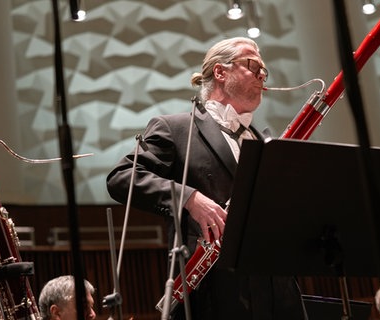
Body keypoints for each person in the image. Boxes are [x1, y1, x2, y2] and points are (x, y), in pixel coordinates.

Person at [107, 37, 307, 319]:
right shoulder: (176, 129)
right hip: (215, 292)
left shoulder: (263, 139)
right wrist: (189, 198)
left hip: (277, 291)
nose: (263, 74)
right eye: (253, 65)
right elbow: (121, 177)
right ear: (220, 72)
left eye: (265, 70)